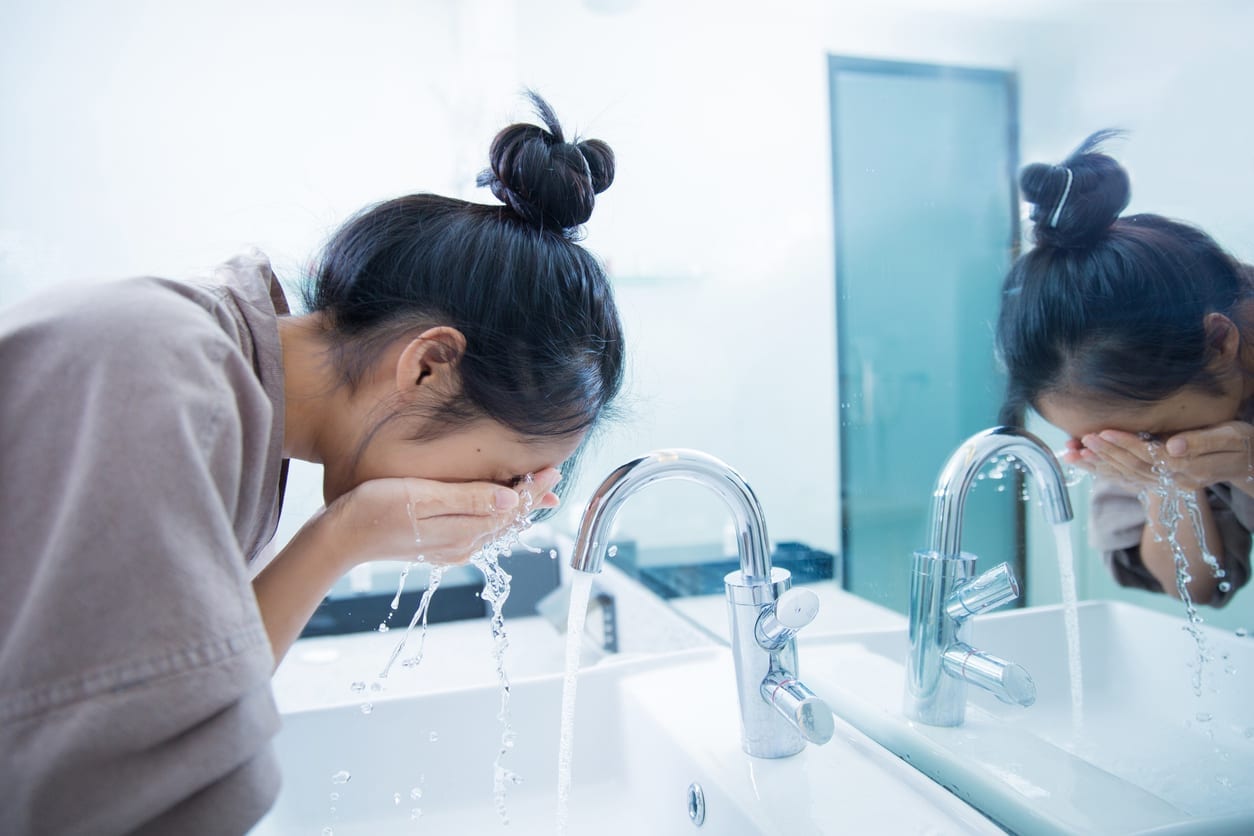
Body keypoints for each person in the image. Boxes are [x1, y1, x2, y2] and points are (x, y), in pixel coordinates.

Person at [0, 92, 623, 835]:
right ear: (428, 367)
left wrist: (345, 535)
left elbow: (172, 712)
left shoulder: (222, 393)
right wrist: (343, 537)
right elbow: (99, 794)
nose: (510, 507)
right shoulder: (166, 369)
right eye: (511, 476)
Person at [996, 130, 1254, 609]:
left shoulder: (1143, 384)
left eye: (1152, 439)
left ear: (1219, 342)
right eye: (1110, 444)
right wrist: (1164, 485)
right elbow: (1198, 588)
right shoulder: (1129, 405)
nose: (1142, 452)